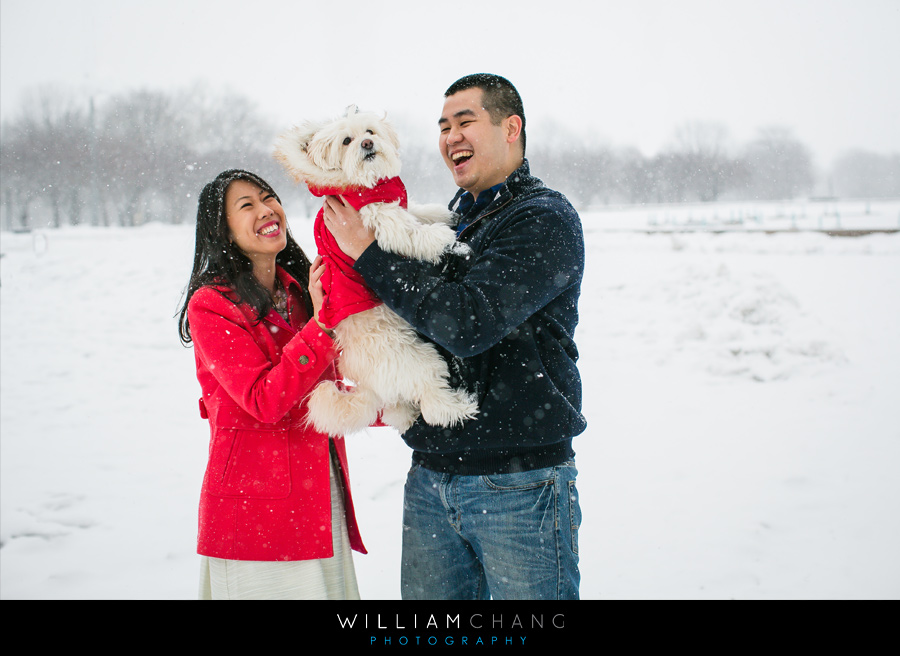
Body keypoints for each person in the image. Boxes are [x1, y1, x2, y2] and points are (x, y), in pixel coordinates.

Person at [322, 74, 586, 600]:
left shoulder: (541, 219)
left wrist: (368, 255)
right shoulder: (457, 217)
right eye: (443, 126)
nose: (450, 137)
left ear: (511, 128)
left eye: (465, 121)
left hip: (521, 483)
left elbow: (469, 323)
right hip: (431, 476)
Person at [177, 169, 367, 600]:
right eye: (247, 206)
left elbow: (325, 395)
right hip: (256, 515)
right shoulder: (212, 306)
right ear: (223, 230)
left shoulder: (300, 292)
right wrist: (321, 325)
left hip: (319, 500)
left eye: (269, 197)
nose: (267, 210)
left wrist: (398, 405)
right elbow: (265, 400)